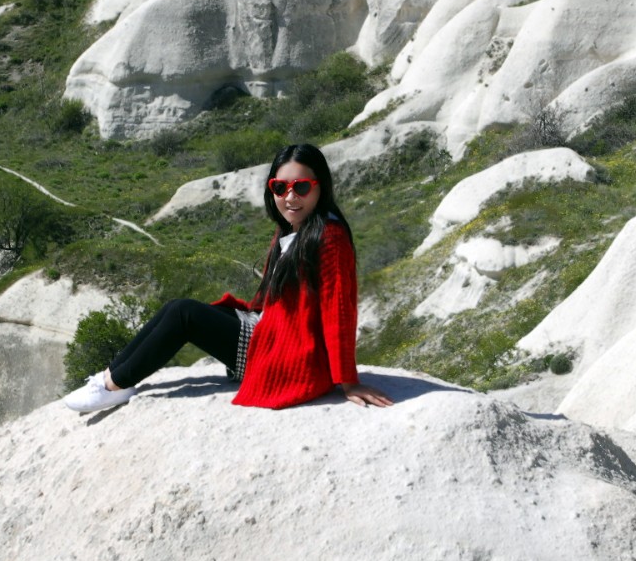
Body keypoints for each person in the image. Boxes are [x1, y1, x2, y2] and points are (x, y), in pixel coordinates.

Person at [62, 142, 394, 412]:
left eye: (302, 187)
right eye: (281, 187)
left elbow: (338, 309)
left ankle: (111, 387)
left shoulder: (329, 237)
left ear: (321, 187)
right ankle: (112, 378)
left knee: (183, 314)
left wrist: (348, 380)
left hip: (285, 350)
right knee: (175, 309)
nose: (290, 197)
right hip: (270, 330)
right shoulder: (295, 228)